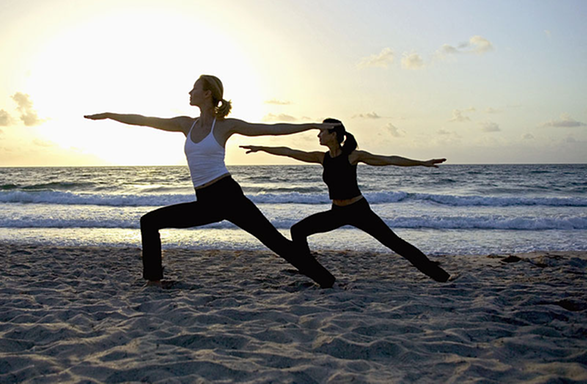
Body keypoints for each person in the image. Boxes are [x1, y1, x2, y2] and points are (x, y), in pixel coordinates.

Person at [84, 75, 335, 288]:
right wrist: (109, 115)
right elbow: (144, 119)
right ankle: (153, 281)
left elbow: (271, 128)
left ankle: (327, 281)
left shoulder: (225, 126)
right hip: (205, 201)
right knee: (149, 222)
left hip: (228, 196)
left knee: (275, 242)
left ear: (206, 94)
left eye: (194, 88)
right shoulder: (186, 124)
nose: (189, 92)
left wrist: (312, 125)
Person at [240, 118, 453, 283]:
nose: (318, 135)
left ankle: (441, 276)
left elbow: (389, 160)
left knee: (396, 244)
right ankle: (310, 269)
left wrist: (422, 163)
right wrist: (261, 148)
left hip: (359, 210)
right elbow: (289, 152)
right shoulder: (321, 157)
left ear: (334, 134)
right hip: (337, 211)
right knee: (298, 230)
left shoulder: (353, 156)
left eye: (322, 131)